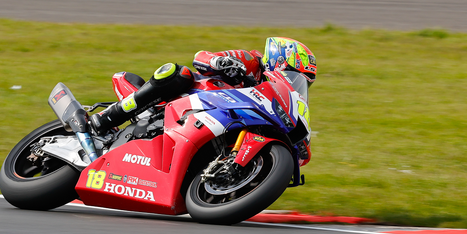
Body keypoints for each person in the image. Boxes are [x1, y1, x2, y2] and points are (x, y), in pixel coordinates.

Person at [90, 37, 316, 143]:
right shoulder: (250, 61)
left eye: (300, 83)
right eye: (293, 75)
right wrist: (221, 63)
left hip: (218, 121)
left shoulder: (275, 99)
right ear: (280, 58)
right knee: (178, 73)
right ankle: (107, 117)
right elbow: (201, 57)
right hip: (192, 97)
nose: (293, 83)